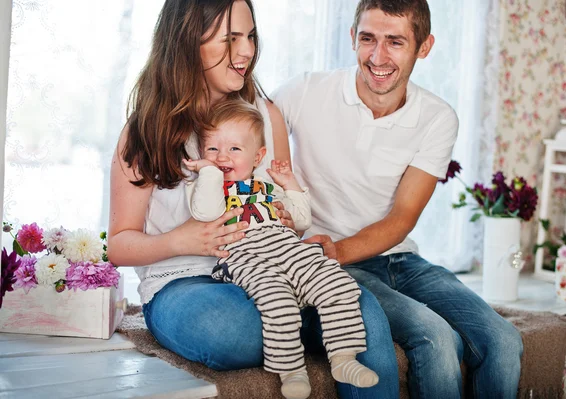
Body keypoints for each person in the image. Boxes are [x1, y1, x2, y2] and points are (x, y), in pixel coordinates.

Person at [107, 1, 399, 398]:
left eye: (250, 37)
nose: (246, 51)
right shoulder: (145, 131)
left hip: (271, 266)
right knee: (229, 330)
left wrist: (289, 218)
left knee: (364, 308)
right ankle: (317, 328)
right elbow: (120, 244)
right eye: (231, 39)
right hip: (184, 282)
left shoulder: (266, 116)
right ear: (187, 41)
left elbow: (287, 207)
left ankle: (324, 327)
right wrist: (181, 240)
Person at [272, 0, 524, 398]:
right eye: (368, 38)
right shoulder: (304, 91)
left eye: (395, 42)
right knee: (437, 338)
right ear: (352, 37)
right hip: (330, 265)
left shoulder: (438, 118)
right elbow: (245, 128)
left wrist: (338, 249)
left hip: (398, 258)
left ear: (424, 47)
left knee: (505, 340)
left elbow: (403, 217)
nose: (378, 56)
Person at [182, 99, 379, 399]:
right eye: (212, 149)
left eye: (234, 149)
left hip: (288, 249)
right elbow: (206, 213)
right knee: (276, 299)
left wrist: (290, 185)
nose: (222, 156)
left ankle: (343, 357)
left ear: (258, 156)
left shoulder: (267, 188)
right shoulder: (208, 187)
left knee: (337, 282)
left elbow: (301, 220)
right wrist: (208, 172)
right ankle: (292, 370)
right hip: (245, 256)